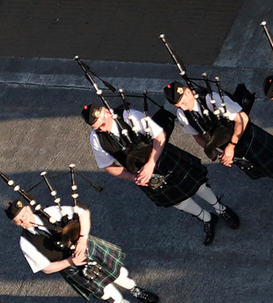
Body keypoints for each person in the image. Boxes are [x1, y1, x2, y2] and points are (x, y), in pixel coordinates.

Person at [83, 102, 237, 245]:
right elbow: (108, 166)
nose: (101, 129)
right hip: (143, 175)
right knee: (175, 200)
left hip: (162, 158)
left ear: (108, 113)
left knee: (196, 184)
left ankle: (220, 208)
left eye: (102, 124)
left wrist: (151, 164)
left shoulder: (130, 117)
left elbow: (160, 135)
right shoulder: (96, 138)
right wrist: (133, 177)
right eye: (96, 128)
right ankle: (207, 218)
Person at [166, 79, 273, 212]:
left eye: (182, 101)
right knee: (268, 171)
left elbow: (242, 118)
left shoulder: (212, 99)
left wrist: (231, 146)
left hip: (246, 140)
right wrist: (217, 152)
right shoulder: (182, 114)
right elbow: (197, 136)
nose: (181, 106)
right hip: (230, 151)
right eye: (177, 105)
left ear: (187, 91)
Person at [6, 198, 156, 303]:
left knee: (119, 275)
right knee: (106, 293)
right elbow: (46, 268)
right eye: (18, 220)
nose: (23, 220)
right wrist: (71, 262)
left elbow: (84, 212)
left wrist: (83, 239)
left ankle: (136, 290)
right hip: (72, 268)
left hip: (87, 249)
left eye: (23, 215)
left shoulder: (50, 212)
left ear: (28, 209)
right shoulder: (25, 242)